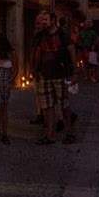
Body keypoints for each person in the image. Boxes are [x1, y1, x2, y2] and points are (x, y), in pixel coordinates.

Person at [32, 12, 78, 145]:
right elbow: (38, 52)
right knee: (48, 106)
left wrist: (75, 71)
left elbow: (71, 50)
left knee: (64, 105)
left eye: (46, 19)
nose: (44, 22)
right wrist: (35, 69)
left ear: (53, 20)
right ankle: (50, 135)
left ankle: (69, 133)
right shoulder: (41, 35)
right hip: (45, 75)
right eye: (43, 20)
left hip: (60, 74)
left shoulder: (62, 34)